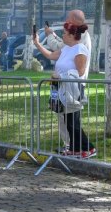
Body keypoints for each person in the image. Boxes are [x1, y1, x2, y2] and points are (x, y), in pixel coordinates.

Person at [33, 21, 95, 158]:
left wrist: (60, 76)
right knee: (68, 121)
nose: (63, 36)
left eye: (65, 33)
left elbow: (80, 71)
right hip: (61, 89)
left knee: (73, 122)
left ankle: (88, 148)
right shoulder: (66, 49)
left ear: (72, 35)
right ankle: (75, 148)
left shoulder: (80, 49)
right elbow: (50, 55)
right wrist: (37, 44)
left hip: (73, 90)